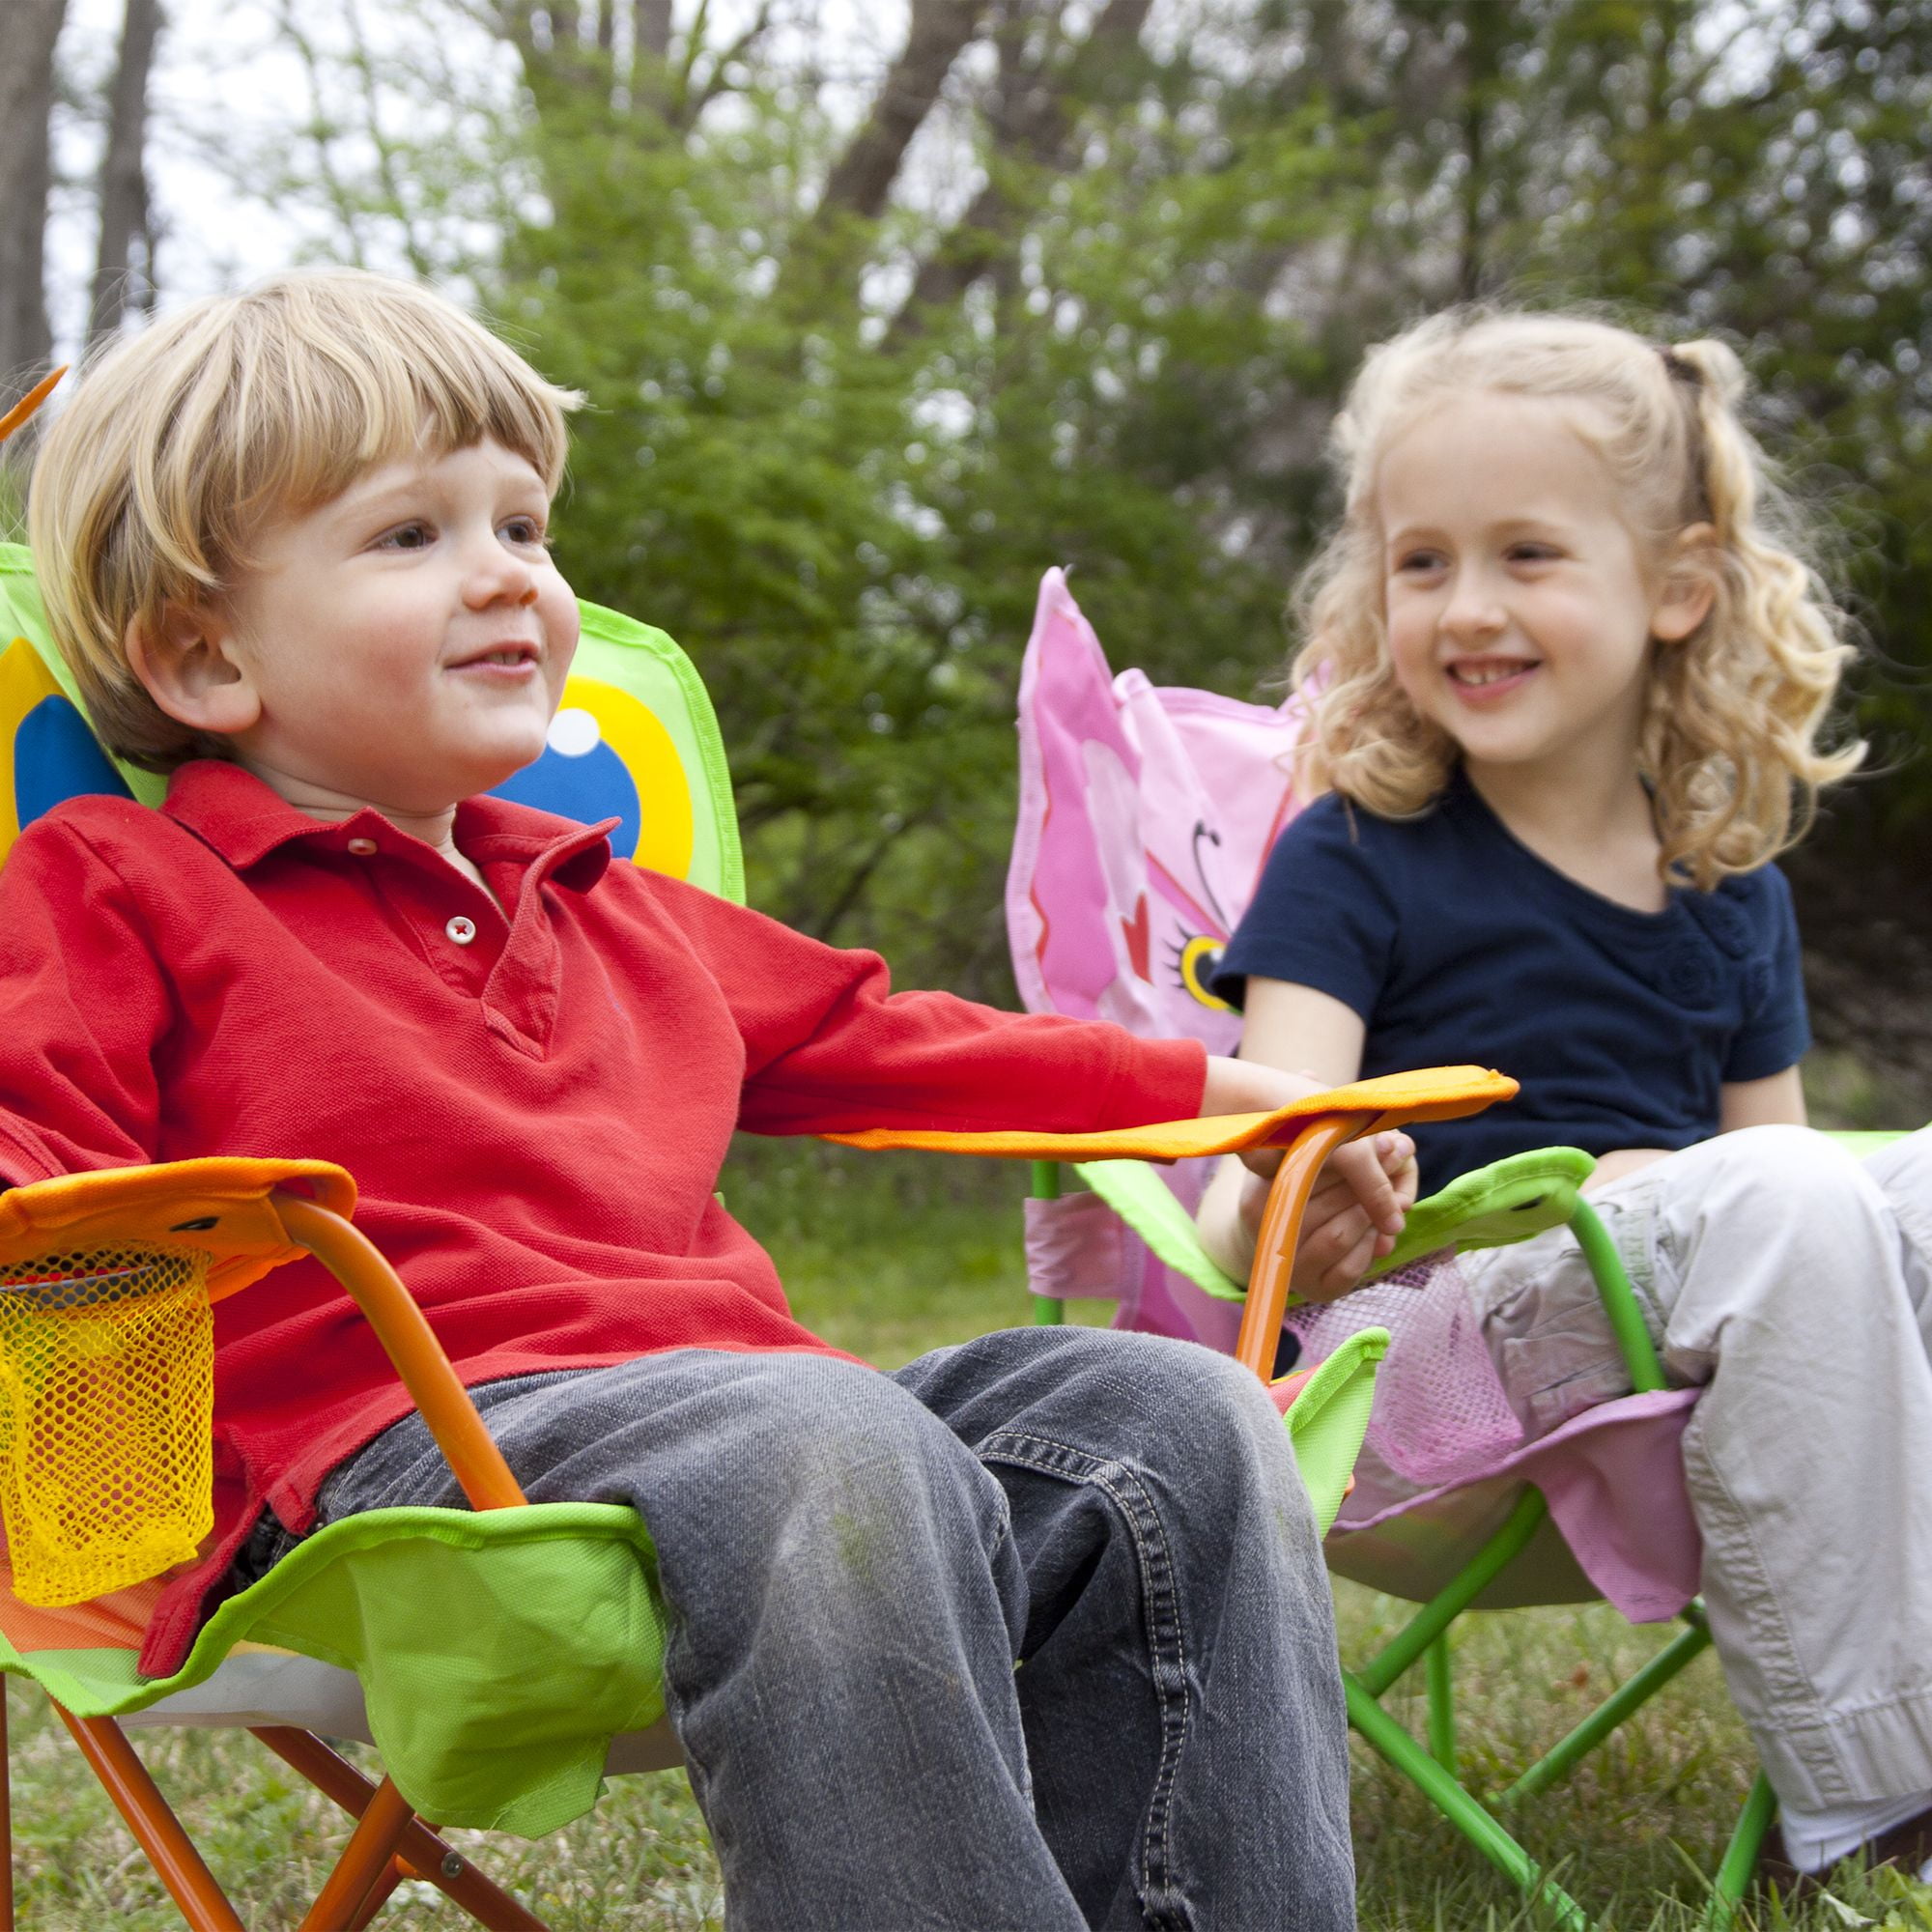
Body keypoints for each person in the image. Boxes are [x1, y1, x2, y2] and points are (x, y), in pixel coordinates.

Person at [1, 270, 1382, 1931]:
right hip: (399, 1474)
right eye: (410, 536)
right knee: (821, 1431)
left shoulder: (608, 900)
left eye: (525, 522)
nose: (508, 572)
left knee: (1183, 1419)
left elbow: (898, 1040)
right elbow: (33, 1139)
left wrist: (1232, 1089)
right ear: (202, 655)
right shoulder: (116, 882)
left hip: (759, 1434)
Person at [1195, 306, 1932, 1889]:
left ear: (1675, 587)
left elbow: (1789, 1191)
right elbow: (1240, 1163)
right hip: (1422, 1372)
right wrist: (1282, 1201)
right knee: (1791, 1197)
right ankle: (1879, 1808)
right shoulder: (1356, 857)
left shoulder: (1730, 892)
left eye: (1527, 555)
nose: (1467, 607)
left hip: (1684, 1340)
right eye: (1422, 561)